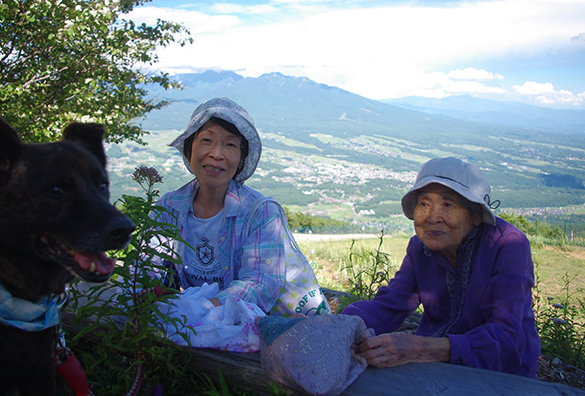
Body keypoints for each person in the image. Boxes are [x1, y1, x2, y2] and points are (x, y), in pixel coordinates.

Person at [342, 157, 540, 377]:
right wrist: (343, 325)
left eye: (448, 205)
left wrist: (417, 347)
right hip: (435, 365)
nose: (432, 217)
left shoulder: (509, 245)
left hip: (502, 373)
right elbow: (391, 304)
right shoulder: (419, 248)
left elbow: (506, 339)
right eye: (424, 203)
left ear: (475, 215)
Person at [152, 97, 329, 317]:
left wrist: (200, 309)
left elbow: (257, 286)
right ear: (189, 149)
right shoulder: (169, 208)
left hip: (281, 332)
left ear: (241, 159)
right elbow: (146, 269)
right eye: (207, 140)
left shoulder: (261, 213)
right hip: (210, 331)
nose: (217, 153)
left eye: (230, 144)